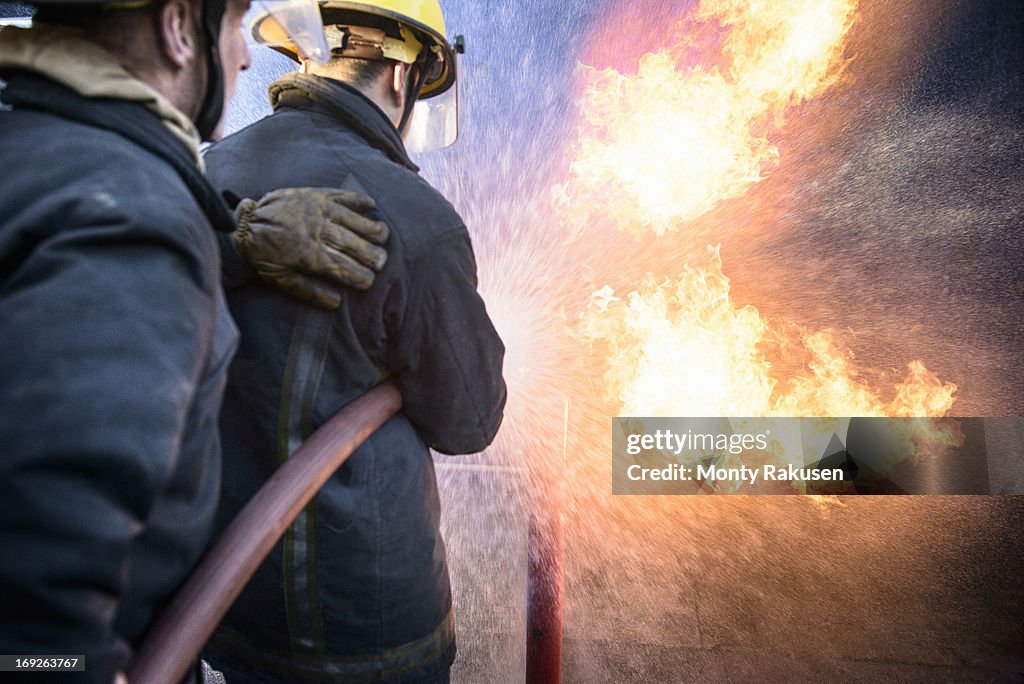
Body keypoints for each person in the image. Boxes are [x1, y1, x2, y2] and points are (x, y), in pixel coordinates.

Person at [0, 1, 389, 680]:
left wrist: (232, 241)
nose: (243, 56)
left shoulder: (31, 147)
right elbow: (39, 589)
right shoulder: (133, 220)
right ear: (180, 26)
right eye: (234, 23)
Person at [200, 2, 507, 681]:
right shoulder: (414, 217)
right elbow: (470, 421)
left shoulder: (204, 176)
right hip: (368, 628)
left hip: (228, 603)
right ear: (404, 77)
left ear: (306, 53)